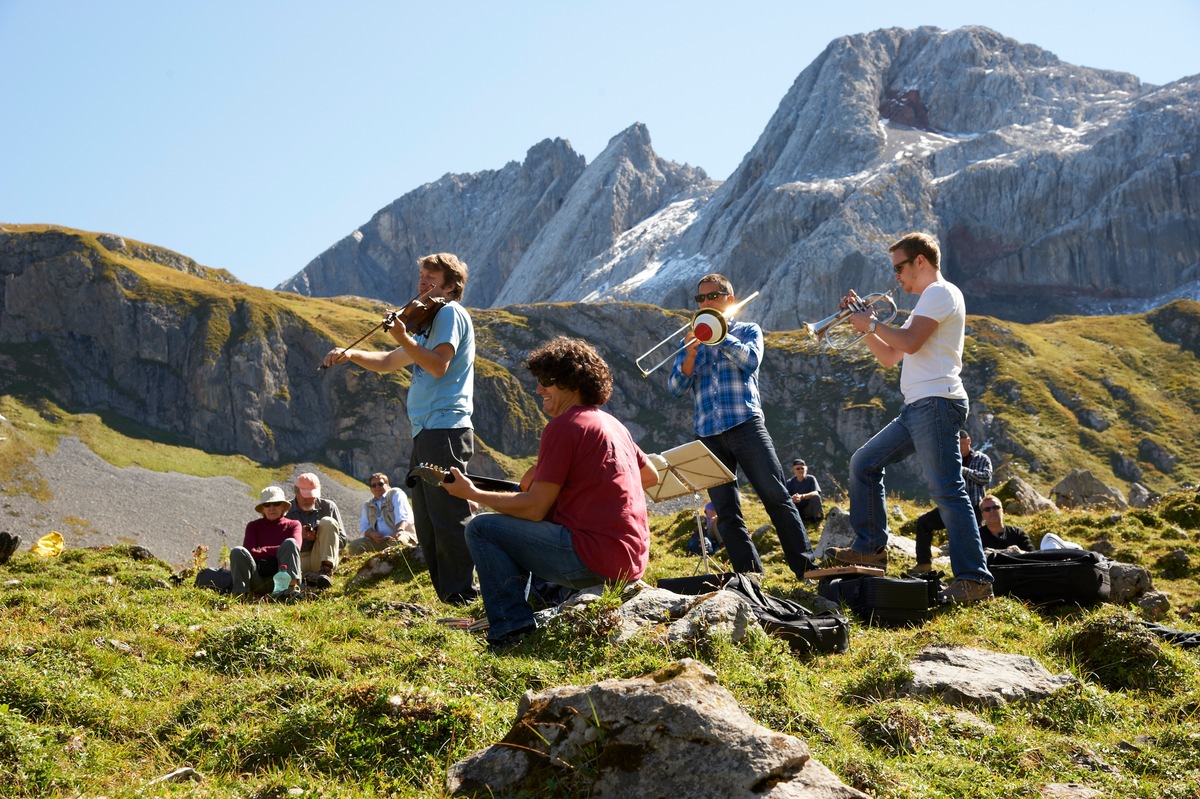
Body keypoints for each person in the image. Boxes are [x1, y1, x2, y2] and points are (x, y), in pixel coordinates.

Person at [439, 337, 659, 651]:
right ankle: (533, 607)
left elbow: (533, 509)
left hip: (594, 556)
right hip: (632, 560)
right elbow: (649, 475)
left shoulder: (564, 426)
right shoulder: (612, 424)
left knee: (482, 528)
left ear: (572, 384)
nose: (539, 389)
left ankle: (510, 630)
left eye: (546, 382)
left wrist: (471, 492)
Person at [828, 232, 994, 604]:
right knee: (864, 464)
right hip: (919, 405)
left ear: (921, 261)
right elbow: (891, 356)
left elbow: (909, 343)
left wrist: (870, 324)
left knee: (947, 489)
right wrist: (862, 323)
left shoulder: (940, 292)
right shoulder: (926, 302)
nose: (896, 277)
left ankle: (974, 579)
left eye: (899, 268)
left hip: (936, 402)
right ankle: (871, 549)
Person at [322, 253, 478, 604]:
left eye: (431, 276)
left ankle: (464, 598)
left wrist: (405, 336)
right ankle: (450, 598)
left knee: (447, 516)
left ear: (451, 286)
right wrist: (352, 355)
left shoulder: (450, 313)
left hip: (445, 428)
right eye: (421, 275)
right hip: (427, 431)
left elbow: (438, 365)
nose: (422, 282)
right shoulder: (429, 323)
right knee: (427, 521)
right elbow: (390, 361)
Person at [667, 274, 815, 580]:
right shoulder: (691, 341)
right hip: (707, 435)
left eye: (712, 296)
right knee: (725, 512)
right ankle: (750, 578)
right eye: (701, 299)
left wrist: (719, 337)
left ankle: (806, 569)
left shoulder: (748, 330)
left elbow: (751, 361)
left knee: (776, 496)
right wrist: (691, 353)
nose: (705, 303)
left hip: (745, 424)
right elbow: (675, 387)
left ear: (729, 300)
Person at [907, 430, 993, 573]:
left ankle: (977, 571)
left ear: (969, 441)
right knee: (924, 522)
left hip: (973, 508)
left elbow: (985, 478)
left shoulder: (981, 458)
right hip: (950, 506)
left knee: (973, 540)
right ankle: (924, 564)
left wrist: (963, 470)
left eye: (962, 444)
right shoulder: (949, 460)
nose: (959, 448)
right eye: (956, 445)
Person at [231, 486, 302, 597]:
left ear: (283, 506)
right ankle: (240, 594)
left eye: (276, 503)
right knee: (237, 551)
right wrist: (280, 551)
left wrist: (263, 550)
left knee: (290, 543)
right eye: (267, 505)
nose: (271, 508)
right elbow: (249, 552)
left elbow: (296, 546)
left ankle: (291, 590)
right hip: (257, 579)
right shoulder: (253, 526)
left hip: (283, 578)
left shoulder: (293, 525)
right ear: (262, 509)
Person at [285, 472, 344, 590]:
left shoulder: (328, 507)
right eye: (305, 496)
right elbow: (279, 545)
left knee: (328, 522)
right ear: (295, 492)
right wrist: (299, 537)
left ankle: (326, 572)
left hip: (321, 558)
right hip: (297, 561)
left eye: (312, 495)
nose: (309, 500)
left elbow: (342, 541)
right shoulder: (286, 511)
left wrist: (320, 536)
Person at [348, 473, 417, 555]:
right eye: (373, 485)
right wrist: (372, 534)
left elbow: (402, 516)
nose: (377, 487)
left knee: (398, 544)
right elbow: (364, 527)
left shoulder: (396, 494)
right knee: (353, 546)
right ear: (370, 489)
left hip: (401, 535)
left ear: (387, 485)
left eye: (380, 484)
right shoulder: (367, 505)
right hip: (379, 541)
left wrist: (398, 532)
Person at [785, 459, 825, 526]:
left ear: (806, 469)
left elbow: (816, 492)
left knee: (816, 497)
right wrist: (793, 499)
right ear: (794, 471)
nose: (801, 470)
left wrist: (802, 496)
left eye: (802, 468)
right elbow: (786, 498)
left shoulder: (811, 479)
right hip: (797, 511)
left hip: (809, 510)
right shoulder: (789, 482)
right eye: (798, 469)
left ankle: (818, 523)